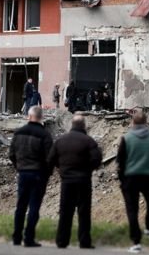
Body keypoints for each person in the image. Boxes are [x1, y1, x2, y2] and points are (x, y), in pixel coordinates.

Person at [47, 115, 102, 249]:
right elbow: (97, 159)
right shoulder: (89, 141)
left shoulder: (61, 141)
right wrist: (88, 170)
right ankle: (84, 241)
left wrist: (61, 168)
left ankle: (62, 241)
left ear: (72, 124)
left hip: (67, 181)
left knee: (65, 211)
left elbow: (51, 159)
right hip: (83, 181)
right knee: (84, 212)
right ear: (84, 126)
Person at [116, 110, 149, 254]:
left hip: (130, 177)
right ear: (146, 122)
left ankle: (136, 241)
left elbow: (120, 160)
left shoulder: (126, 138)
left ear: (132, 122)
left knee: (132, 209)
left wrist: (122, 178)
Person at [9, 106, 53, 247]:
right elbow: (50, 158)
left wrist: (19, 167)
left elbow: (11, 154)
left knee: (21, 205)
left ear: (29, 116)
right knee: (34, 206)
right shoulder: (45, 135)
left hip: (23, 173)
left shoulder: (19, 133)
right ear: (41, 117)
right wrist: (47, 173)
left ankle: (16, 237)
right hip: (39, 174)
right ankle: (29, 238)